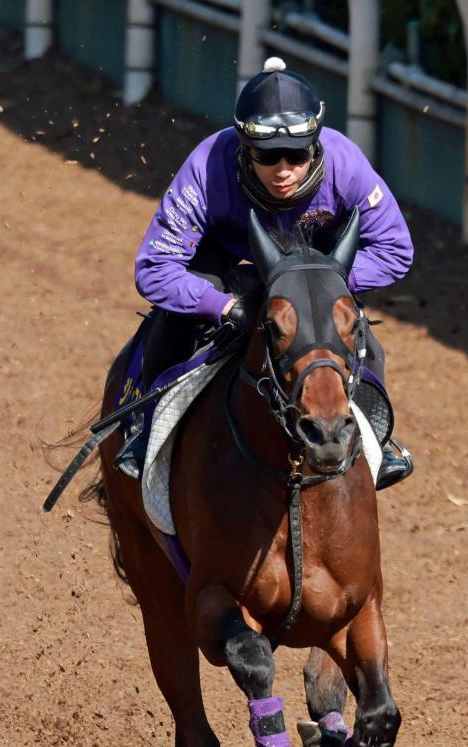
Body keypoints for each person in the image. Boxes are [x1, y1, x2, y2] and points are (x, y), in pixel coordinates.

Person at [128, 57, 414, 489]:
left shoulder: (346, 162)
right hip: (222, 270)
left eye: (297, 155)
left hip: (311, 271)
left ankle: (378, 445)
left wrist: (319, 286)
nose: (283, 169)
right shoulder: (207, 164)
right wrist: (221, 306)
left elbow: (396, 249)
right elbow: (154, 267)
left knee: (367, 343)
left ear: (316, 146)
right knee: (173, 321)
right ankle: (144, 429)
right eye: (266, 156)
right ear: (244, 148)